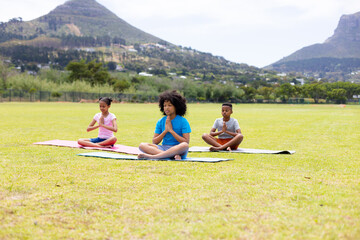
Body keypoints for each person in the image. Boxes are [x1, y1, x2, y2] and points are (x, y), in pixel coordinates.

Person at [138, 90, 191, 160]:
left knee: (185, 145)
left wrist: (171, 131)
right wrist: (165, 131)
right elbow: (155, 141)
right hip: (163, 148)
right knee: (142, 145)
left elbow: (186, 141)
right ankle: (170, 156)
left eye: (169, 105)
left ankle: (154, 156)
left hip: (178, 149)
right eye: (165, 105)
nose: (166, 108)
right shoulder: (160, 121)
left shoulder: (183, 121)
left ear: (176, 107)